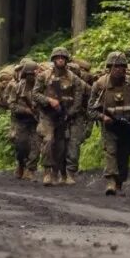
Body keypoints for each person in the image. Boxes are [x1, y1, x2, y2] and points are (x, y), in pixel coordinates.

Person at [88, 51, 130, 195]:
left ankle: (119, 183)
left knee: (124, 155)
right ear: (109, 68)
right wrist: (102, 117)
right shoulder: (100, 85)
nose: (118, 70)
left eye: (121, 67)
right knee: (110, 152)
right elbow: (91, 110)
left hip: (127, 127)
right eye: (115, 67)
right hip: (110, 127)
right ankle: (110, 182)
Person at [33, 47, 86, 186]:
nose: (60, 60)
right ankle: (47, 172)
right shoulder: (44, 76)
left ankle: (63, 173)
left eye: (63, 57)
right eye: (58, 57)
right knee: (48, 140)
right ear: (54, 60)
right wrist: (49, 101)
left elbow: (78, 100)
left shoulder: (74, 79)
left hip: (65, 115)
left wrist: (69, 114)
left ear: (66, 60)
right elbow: (35, 94)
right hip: (48, 115)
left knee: (62, 146)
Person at [4, 58, 41, 179]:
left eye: (34, 74)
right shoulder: (17, 87)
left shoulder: (41, 86)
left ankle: (31, 169)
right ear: (26, 74)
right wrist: (26, 110)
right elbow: (12, 104)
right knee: (21, 146)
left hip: (36, 121)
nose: (33, 77)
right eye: (30, 74)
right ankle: (21, 164)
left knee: (36, 146)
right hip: (21, 120)